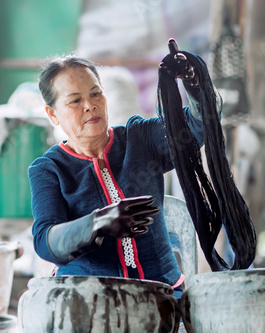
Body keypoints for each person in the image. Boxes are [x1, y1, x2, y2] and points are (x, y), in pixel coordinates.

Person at [29, 40, 221, 299]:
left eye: (95, 93)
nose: (89, 105)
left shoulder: (139, 138)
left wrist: (197, 86)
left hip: (161, 296)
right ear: (53, 114)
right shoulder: (49, 169)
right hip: (89, 302)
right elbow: (45, 241)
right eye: (75, 100)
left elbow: (198, 127)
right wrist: (96, 224)